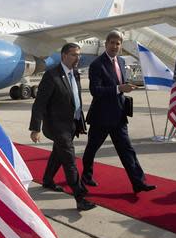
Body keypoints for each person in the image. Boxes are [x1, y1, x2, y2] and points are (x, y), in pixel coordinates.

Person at [82, 30, 156, 194]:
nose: (115, 46)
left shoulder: (121, 62)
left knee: (127, 150)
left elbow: (118, 83)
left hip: (119, 115)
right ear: (106, 44)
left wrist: (126, 86)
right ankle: (86, 175)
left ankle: (138, 182)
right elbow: (95, 90)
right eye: (112, 43)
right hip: (101, 117)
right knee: (91, 149)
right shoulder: (97, 65)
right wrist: (119, 88)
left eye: (118, 43)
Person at [29, 43, 96, 211]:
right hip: (57, 126)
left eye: (79, 54)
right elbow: (39, 104)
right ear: (64, 56)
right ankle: (79, 197)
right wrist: (35, 128)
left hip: (72, 123)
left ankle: (48, 180)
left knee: (58, 154)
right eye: (74, 54)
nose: (78, 58)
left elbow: (75, 98)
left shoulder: (76, 74)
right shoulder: (52, 76)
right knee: (69, 160)